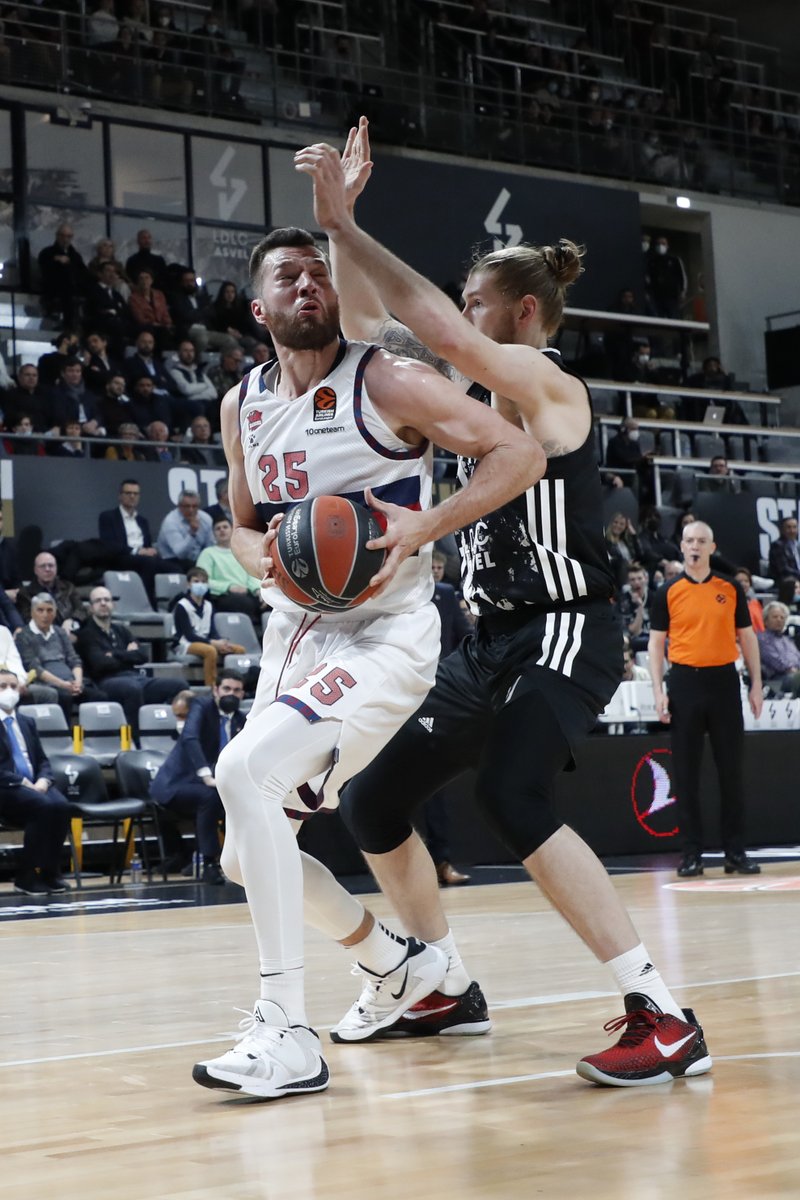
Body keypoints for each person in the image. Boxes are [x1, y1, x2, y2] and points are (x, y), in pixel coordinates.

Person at [295, 120, 710, 1087]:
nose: (462, 315)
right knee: (373, 799)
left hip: (568, 626)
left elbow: (437, 331)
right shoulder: (469, 389)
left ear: (524, 312)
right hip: (486, 641)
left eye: (477, 301)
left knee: (512, 795)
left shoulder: (548, 386)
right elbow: (368, 329)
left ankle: (662, 1014)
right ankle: (440, 982)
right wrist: (338, 229)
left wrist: (347, 228)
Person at [191, 223, 543, 1100]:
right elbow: (241, 525)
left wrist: (428, 524)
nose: (307, 285)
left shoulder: (385, 377)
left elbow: (518, 452)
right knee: (244, 854)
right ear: (258, 307)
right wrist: (261, 555)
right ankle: (405, 969)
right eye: (287, 276)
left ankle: (286, 1031)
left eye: (318, 272)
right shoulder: (242, 406)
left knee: (243, 771)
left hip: (387, 634)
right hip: (296, 634)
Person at [648, 521, 763, 878]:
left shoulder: (729, 588)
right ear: (681, 547)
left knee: (731, 771)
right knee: (685, 773)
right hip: (684, 682)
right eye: (689, 541)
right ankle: (691, 854)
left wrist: (756, 684)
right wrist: (658, 690)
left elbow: (747, 637)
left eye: (701, 541)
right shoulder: (667, 591)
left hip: (724, 681)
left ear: (712, 548)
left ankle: (735, 853)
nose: (695, 546)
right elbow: (656, 643)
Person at [151, 669, 246, 884]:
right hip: (176, 783)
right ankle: (208, 863)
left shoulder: (242, 720)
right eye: (227, 689)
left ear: (242, 694)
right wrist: (205, 774)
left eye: (236, 690)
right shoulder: (201, 707)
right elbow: (190, 738)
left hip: (212, 786)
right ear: (215, 690)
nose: (231, 694)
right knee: (209, 797)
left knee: (236, 799)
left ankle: (241, 859)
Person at [424, 550, 473, 886]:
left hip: (435, 694)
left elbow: (464, 638)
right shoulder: (396, 592)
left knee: (432, 783)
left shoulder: (445, 595)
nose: (436, 572)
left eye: (440, 567)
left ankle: (441, 861)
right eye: (432, 567)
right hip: (393, 690)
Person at [75, 585, 185, 734]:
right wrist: (128, 655)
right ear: (91, 608)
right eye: (98, 600)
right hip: (106, 681)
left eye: (107, 600)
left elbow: (142, 655)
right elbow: (100, 664)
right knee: (132, 689)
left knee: (179, 685)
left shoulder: (121, 630)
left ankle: (170, 732)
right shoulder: (86, 634)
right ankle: (135, 738)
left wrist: (114, 654)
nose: (103, 603)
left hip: (135, 677)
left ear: (113, 604)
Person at [0, 668, 72, 894]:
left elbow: (42, 759)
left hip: (34, 785)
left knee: (62, 806)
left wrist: (44, 780)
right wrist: (22, 782)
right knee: (43, 806)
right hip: (6, 787)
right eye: (3, 686)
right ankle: (27, 877)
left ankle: (50, 872)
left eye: (13, 686)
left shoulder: (26, 722)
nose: (9, 691)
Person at [16, 593, 105, 721]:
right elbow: (35, 668)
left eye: (49, 610)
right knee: (64, 697)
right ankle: (65, 733)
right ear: (32, 612)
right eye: (40, 610)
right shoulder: (23, 635)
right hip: (47, 683)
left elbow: (74, 660)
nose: (45, 615)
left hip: (70, 681)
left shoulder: (60, 632)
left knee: (99, 696)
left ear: (54, 613)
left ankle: (92, 732)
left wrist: (78, 682)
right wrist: (62, 684)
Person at [171, 566, 245, 687]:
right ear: (188, 584)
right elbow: (189, 636)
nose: (200, 584)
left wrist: (221, 642)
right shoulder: (182, 606)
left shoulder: (208, 605)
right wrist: (213, 643)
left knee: (239, 649)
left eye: (203, 582)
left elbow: (212, 631)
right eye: (196, 581)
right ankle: (212, 687)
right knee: (210, 651)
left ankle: (232, 682)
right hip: (185, 643)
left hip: (207, 641)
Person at [196, 514, 264, 623]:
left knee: (269, 601)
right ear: (213, 534)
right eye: (218, 528)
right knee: (243, 602)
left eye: (225, 527)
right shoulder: (207, 553)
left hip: (247, 593)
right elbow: (202, 580)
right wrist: (228, 587)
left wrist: (258, 590)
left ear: (232, 530)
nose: (222, 530)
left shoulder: (241, 551)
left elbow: (251, 575)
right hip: (221, 596)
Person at [17, 551, 84, 630]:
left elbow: (81, 609)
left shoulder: (68, 587)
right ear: (35, 570)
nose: (47, 569)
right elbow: (30, 620)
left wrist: (71, 620)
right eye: (42, 566)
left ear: (56, 568)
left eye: (51, 565)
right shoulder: (25, 594)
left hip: (72, 629)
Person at [156, 490, 214, 567]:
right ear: (179, 506)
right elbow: (181, 554)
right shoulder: (170, 522)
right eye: (187, 506)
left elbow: (210, 546)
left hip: (197, 559)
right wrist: (192, 533)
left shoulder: (206, 519)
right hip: (172, 560)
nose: (191, 510)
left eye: (194, 506)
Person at [757, 601, 800, 697]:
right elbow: (775, 662)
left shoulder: (787, 640)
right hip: (776, 680)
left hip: (793, 675)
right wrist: (792, 669)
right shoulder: (762, 639)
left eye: (782, 617)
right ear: (766, 620)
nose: (779, 620)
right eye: (775, 617)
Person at [768, 516, 800, 585]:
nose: (792, 531)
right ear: (782, 530)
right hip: (785, 580)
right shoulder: (777, 545)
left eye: (794, 527)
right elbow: (784, 569)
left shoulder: (797, 545)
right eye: (788, 527)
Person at [734, 567, 765, 633]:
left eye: (746, 581)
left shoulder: (754, 603)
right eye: (739, 581)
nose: (743, 584)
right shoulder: (729, 603)